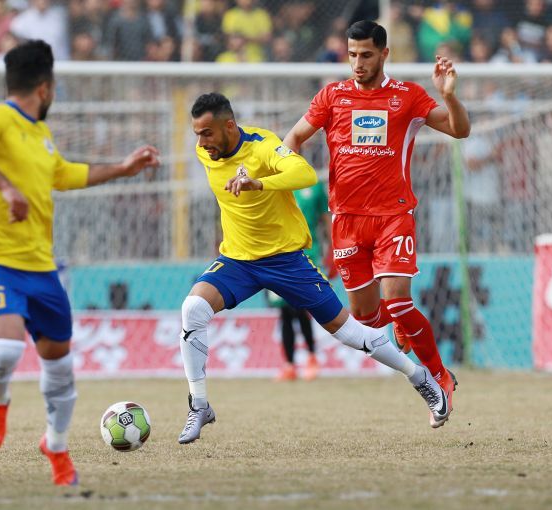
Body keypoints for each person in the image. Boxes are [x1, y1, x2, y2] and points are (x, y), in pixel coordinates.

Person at [177, 92, 450, 445]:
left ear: (229, 126)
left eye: (207, 133)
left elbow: (304, 173)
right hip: (238, 260)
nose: (201, 143)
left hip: (286, 260)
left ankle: (419, 377)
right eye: (197, 134)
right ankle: (199, 405)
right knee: (193, 308)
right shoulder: (206, 152)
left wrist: (259, 182)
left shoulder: (263, 146)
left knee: (350, 332)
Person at [0, 40, 159, 485]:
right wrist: (6, 188)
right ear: (45, 88)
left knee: (60, 367)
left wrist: (122, 169)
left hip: (42, 269)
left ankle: (57, 447)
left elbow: (63, 173)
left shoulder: (41, 135)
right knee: (6, 349)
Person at [283, 20, 470, 426]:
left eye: (366, 54)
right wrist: (284, 175)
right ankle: (401, 324)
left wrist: (449, 97)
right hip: (346, 221)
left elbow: (460, 130)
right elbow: (293, 138)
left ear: (384, 54)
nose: (358, 63)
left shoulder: (407, 96)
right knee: (366, 318)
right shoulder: (332, 96)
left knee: (399, 300)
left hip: (393, 217)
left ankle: (440, 376)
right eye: (352, 54)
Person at [270, 181, 330, 382]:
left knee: (300, 307)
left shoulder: (313, 185)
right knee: (284, 310)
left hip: (307, 251)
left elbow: (325, 218)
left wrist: (332, 249)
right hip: (278, 253)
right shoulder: (275, 182)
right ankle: (289, 365)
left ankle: (311, 357)